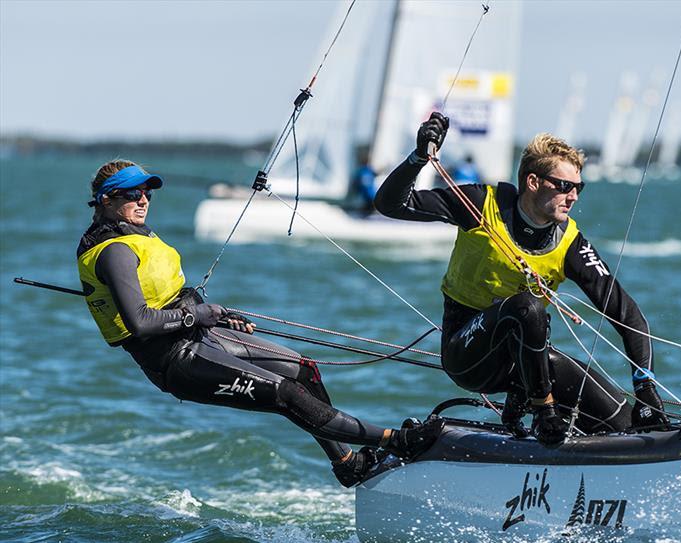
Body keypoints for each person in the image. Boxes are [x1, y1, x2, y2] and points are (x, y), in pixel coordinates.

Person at [77, 160, 442, 487]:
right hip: (177, 359)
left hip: (202, 335)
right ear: (106, 200)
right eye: (131, 194)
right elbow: (140, 323)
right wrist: (198, 315)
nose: (143, 201)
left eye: (146, 194)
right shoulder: (114, 251)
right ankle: (396, 440)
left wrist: (215, 315)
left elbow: (167, 292)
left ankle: (347, 462)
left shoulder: (135, 233)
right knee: (287, 395)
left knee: (304, 371)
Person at [374, 113, 670, 444]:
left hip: (527, 364)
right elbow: (390, 205)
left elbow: (625, 312)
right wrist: (417, 159)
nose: (573, 197)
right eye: (563, 187)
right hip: (466, 353)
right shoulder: (480, 204)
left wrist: (645, 386)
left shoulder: (571, 244)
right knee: (527, 307)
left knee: (624, 423)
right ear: (532, 182)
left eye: (578, 188)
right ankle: (544, 414)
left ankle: (570, 440)